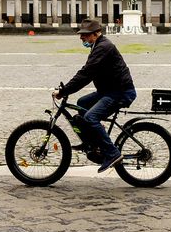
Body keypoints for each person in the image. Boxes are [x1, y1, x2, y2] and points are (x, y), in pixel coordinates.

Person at [53, 18, 136, 173]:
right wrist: (69, 89)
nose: (81, 37)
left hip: (120, 92)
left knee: (91, 117)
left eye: (85, 34)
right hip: (109, 90)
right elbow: (88, 73)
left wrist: (64, 91)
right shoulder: (98, 45)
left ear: (96, 33)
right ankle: (92, 142)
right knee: (82, 103)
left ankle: (112, 153)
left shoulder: (103, 47)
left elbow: (86, 73)